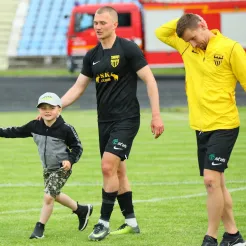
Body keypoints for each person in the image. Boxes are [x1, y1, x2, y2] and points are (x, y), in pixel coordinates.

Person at [60, 6, 164, 241]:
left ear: (114, 25)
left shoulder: (128, 49)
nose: (97, 27)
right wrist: (58, 105)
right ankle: (131, 222)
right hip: (104, 121)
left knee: (108, 166)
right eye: (95, 23)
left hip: (126, 119)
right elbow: (78, 87)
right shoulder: (92, 55)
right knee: (117, 171)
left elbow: (150, 80)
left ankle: (103, 222)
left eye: (102, 23)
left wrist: (156, 115)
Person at [155, 13, 246, 246]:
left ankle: (211, 237)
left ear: (204, 25)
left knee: (210, 181)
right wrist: (185, 19)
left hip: (224, 124)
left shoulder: (231, 48)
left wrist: (192, 18)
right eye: (188, 41)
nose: (192, 44)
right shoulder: (186, 45)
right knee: (218, 183)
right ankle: (233, 235)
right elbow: (160, 33)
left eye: (194, 38)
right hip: (200, 125)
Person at [0, 92, 93, 239]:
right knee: (54, 195)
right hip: (47, 168)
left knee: (48, 197)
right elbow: (15, 131)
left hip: (62, 168)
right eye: (43, 108)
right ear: (38, 110)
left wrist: (70, 160)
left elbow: (77, 147)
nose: (47, 111)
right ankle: (81, 210)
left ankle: (39, 229)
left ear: (59, 109)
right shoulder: (35, 125)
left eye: (51, 107)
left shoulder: (66, 129)